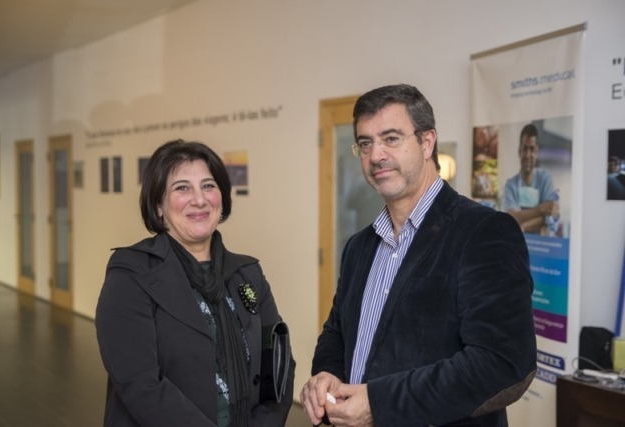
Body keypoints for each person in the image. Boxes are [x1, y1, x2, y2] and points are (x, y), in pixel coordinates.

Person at [300, 84, 536, 427]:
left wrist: (379, 404)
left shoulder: (484, 232)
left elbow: (503, 364)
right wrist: (327, 373)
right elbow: (337, 332)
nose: (376, 155)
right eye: (365, 143)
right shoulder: (359, 247)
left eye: (391, 138)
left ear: (427, 142)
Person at [96, 139, 295, 426]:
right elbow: (140, 384)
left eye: (208, 185)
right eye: (182, 188)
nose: (199, 199)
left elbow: (278, 365)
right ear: (158, 205)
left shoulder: (248, 273)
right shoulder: (131, 275)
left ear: (222, 198)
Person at [502, 123, 559, 234]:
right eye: (525, 148)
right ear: (519, 152)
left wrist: (524, 225)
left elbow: (549, 217)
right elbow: (512, 218)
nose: (528, 155)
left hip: (541, 243)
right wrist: (540, 209)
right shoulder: (510, 185)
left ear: (537, 152)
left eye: (532, 149)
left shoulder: (545, 179)